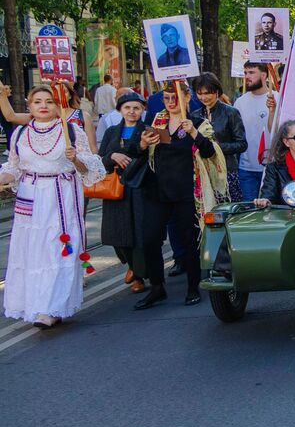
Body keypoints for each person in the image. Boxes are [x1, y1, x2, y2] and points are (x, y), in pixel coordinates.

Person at [0, 85, 104, 327]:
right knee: (33, 251)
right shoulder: (20, 134)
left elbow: (90, 167)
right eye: (37, 101)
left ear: (58, 105)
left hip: (61, 195)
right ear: (29, 106)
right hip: (31, 196)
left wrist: (75, 158)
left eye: (48, 101)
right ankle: (36, 305)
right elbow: (13, 167)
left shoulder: (71, 130)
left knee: (57, 248)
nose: (43, 106)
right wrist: (4, 179)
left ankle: (53, 307)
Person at [132, 85, 225, 309]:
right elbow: (136, 152)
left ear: (187, 98)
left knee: (189, 240)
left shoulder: (199, 123)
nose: (171, 101)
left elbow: (211, 153)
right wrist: (144, 144)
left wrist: (193, 133)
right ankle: (157, 288)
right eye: (166, 97)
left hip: (187, 190)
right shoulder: (156, 121)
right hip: (157, 190)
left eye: (175, 97)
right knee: (149, 239)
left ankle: (193, 286)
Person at [98, 91, 151, 295]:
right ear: (120, 110)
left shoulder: (146, 131)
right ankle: (129, 263)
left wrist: (131, 151)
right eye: (127, 107)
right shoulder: (112, 131)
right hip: (114, 187)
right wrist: (113, 155)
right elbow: (101, 158)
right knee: (115, 233)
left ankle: (138, 275)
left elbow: (146, 157)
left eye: (136, 108)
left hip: (138, 186)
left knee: (137, 233)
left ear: (142, 110)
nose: (132, 112)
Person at [190, 73, 248, 201]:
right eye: (200, 93)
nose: (203, 97)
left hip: (226, 170)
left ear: (217, 91)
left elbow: (242, 144)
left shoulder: (230, 112)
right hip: (203, 172)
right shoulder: (195, 115)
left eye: (207, 93)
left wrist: (217, 147)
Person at [233, 62, 279, 201]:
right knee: (250, 212)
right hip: (247, 169)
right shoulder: (240, 102)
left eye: (252, 72)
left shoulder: (277, 98)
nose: (247, 76)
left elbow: (278, 132)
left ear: (264, 75)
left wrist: (272, 112)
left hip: (274, 167)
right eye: (245, 73)